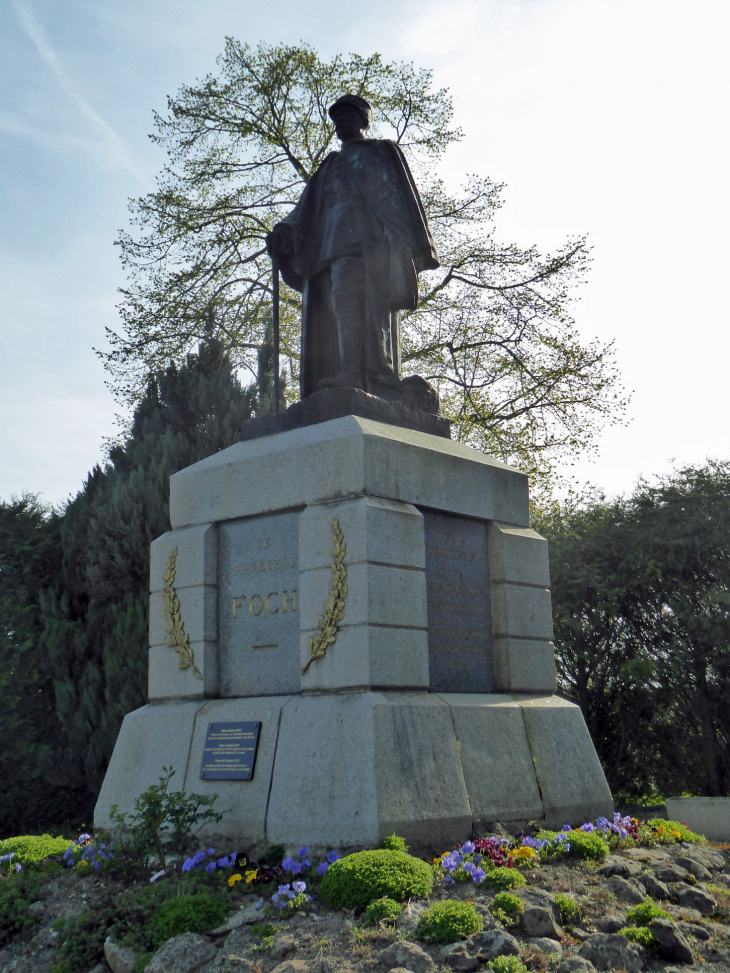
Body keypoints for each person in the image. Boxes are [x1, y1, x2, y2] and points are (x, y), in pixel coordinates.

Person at [266, 94, 440, 406]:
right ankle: (348, 371)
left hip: (372, 247)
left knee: (372, 313)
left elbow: (398, 200)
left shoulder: (380, 152)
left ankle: (374, 376)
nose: (340, 122)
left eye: (347, 115)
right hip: (336, 246)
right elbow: (303, 209)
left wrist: (406, 246)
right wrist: (283, 231)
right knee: (342, 301)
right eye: (336, 118)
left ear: (362, 120)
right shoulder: (330, 165)